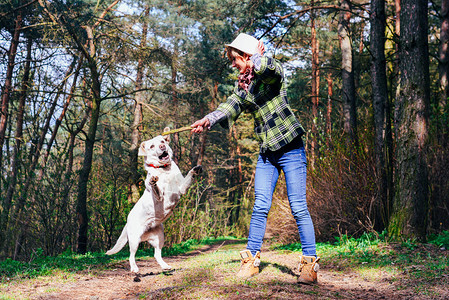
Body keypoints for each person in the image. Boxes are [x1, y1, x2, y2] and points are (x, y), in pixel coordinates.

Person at [190, 33, 320, 284]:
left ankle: (309, 266)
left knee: (299, 208)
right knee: (260, 205)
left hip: (291, 149)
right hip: (267, 154)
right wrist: (208, 120)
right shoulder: (244, 86)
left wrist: (258, 59)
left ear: (247, 56)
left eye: (235, 59)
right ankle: (250, 262)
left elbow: (270, 69)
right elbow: (229, 105)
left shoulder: (271, 72)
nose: (233, 64)